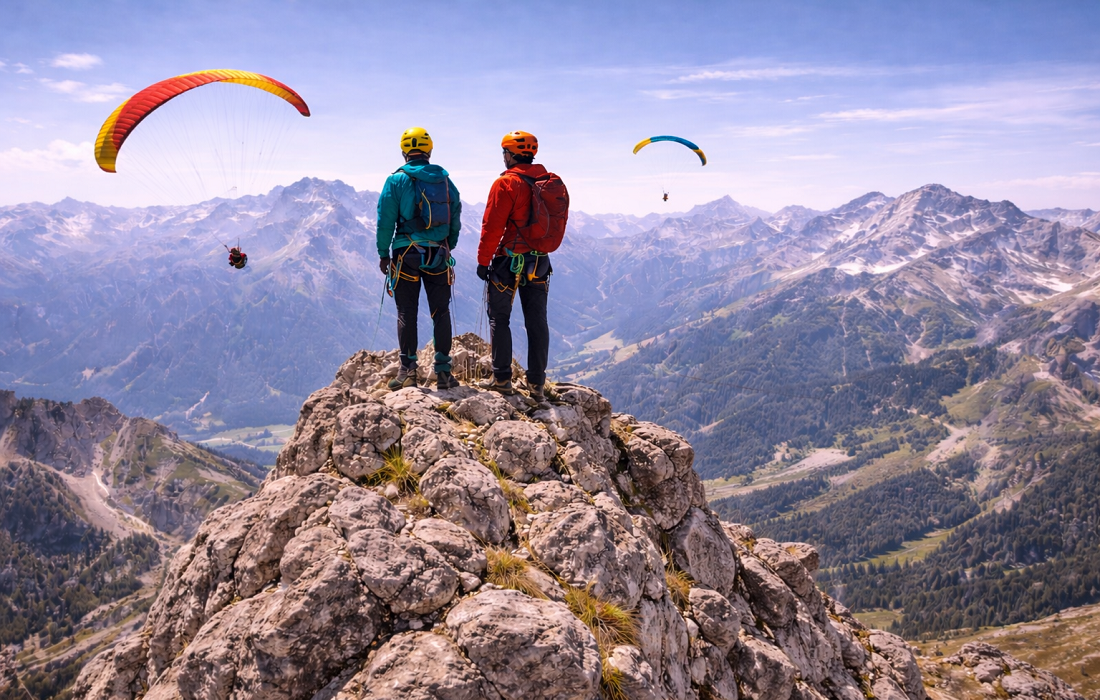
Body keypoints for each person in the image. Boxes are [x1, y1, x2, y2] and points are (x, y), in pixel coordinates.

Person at [377, 127, 462, 391]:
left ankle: (408, 371)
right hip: (438, 254)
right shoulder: (446, 182)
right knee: (440, 312)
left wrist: (383, 254)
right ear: (429, 151)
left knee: (407, 312)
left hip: (406, 254)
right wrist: (449, 248)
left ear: (404, 152)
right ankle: (444, 372)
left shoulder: (396, 181)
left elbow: (385, 221)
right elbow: (455, 220)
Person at [476, 130, 558, 400]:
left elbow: (492, 227)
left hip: (508, 262)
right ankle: (536, 385)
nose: (503, 158)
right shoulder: (547, 182)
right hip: (540, 262)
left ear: (510, 155)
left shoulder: (506, 184)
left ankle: (502, 380)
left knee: (500, 318)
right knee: (537, 321)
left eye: (504, 153)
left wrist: (483, 261)